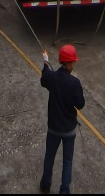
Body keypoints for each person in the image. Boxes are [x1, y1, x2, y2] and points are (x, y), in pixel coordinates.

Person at [39, 44, 84, 194]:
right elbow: (80, 104)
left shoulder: (52, 78)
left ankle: (45, 185)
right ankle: (64, 190)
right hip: (69, 129)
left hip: (53, 128)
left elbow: (44, 78)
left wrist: (45, 61)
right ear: (69, 63)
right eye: (73, 62)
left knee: (49, 158)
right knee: (67, 161)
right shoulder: (74, 83)